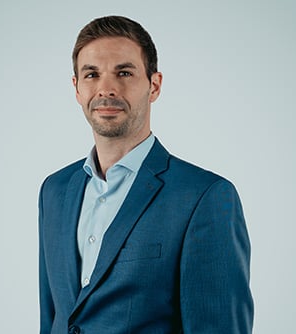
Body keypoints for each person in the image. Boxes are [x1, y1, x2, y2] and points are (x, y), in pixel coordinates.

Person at [38, 15, 253, 334]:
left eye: (124, 72)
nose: (106, 89)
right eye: (92, 74)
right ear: (77, 88)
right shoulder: (54, 191)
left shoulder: (204, 198)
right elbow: (53, 318)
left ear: (154, 85)